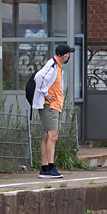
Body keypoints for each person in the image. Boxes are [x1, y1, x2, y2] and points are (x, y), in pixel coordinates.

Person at [32, 43, 73, 179]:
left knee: (46, 136)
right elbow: (38, 77)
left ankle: (45, 168)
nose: (69, 57)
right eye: (68, 54)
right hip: (50, 106)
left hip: (54, 105)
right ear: (65, 55)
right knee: (53, 136)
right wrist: (45, 93)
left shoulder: (56, 66)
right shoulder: (52, 65)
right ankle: (50, 167)